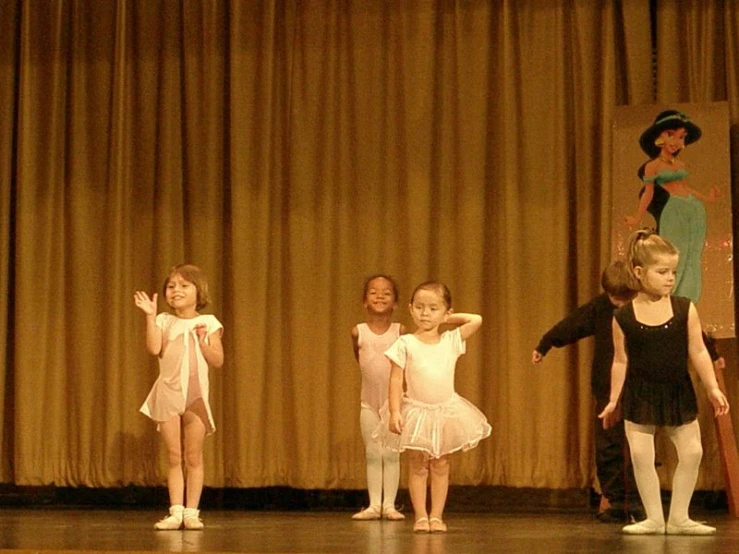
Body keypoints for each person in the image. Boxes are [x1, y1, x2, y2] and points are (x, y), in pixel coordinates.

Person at [598, 230, 729, 535]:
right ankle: (655, 518)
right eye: (662, 272)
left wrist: (712, 387)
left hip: (677, 390)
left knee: (693, 452)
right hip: (640, 393)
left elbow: (697, 350)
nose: (670, 278)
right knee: (642, 457)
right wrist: (614, 400)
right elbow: (621, 360)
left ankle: (679, 517)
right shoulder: (623, 317)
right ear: (639, 272)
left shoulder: (684, 309)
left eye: (673, 271)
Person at [375, 281, 491, 533]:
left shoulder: (450, 340)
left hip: (445, 411)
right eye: (419, 307)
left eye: (432, 308)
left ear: (446, 313)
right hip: (416, 411)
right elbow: (396, 380)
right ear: (410, 309)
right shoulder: (405, 343)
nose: (424, 313)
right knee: (417, 464)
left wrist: (446, 320)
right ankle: (420, 516)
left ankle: (436, 516)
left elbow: (476, 319)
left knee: (440, 463)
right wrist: (394, 411)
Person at [532, 260, 642, 523]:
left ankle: (640, 503)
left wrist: (712, 352)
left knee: (640, 445)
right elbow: (573, 324)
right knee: (609, 446)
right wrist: (545, 344)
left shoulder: (647, 306)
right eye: (614, 297)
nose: (618, 303)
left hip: (642, 386)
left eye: (624, 298)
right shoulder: (601, 308)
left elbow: (684, 331)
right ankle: (615, 501)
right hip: (608, 387)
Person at [134, 264, 224, 530]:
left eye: (184, 286)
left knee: (194, 456)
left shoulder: (208, 322)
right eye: (171, 286)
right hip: (168, 393)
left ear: (199, 291)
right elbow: (153, 348)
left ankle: (192, 512)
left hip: (195, 396)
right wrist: (150, 317)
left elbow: (217, 360)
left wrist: (202, 340)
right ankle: (175, 511)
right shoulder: (164, 320)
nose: (176, 291)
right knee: (174, 455)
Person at [625, 110, 720, 303]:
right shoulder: (652, 166)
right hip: (674, 210)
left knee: (693, 255)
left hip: (693, 209)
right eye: (671, 135)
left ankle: (688, 301)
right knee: (675, 255)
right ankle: (670, 300)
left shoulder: (680, 164)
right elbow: (648, 193)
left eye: (681, 137)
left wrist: (707, 199)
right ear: (659, 138)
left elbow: (685, 187)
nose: (676, 141)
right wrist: (637, 217)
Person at [351, 275, 407, 521]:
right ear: (364, 301)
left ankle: (390, 505)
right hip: (368, 403)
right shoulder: (358, 332)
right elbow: (360, 358)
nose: (380, 296)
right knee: (373, 453)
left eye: (386, 293)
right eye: (374, 292)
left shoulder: (401, 332)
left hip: (393, 403)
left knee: (392, 453)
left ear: (395, 302)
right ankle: (374, 505)